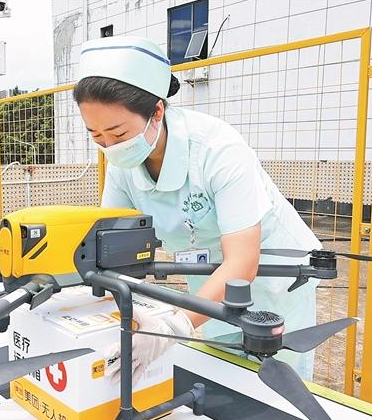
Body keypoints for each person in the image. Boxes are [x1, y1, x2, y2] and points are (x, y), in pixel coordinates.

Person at [74, 35, 322, 383]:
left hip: (274, 279)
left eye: (118, 133)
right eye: (96, 136)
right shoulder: (122, 168)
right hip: (212, 281)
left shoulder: (217, 148)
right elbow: (110, 246)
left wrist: (174, 326)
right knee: (229, 377)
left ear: (156, 112)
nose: (110, 146)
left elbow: (243, 261)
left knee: (277, 387)